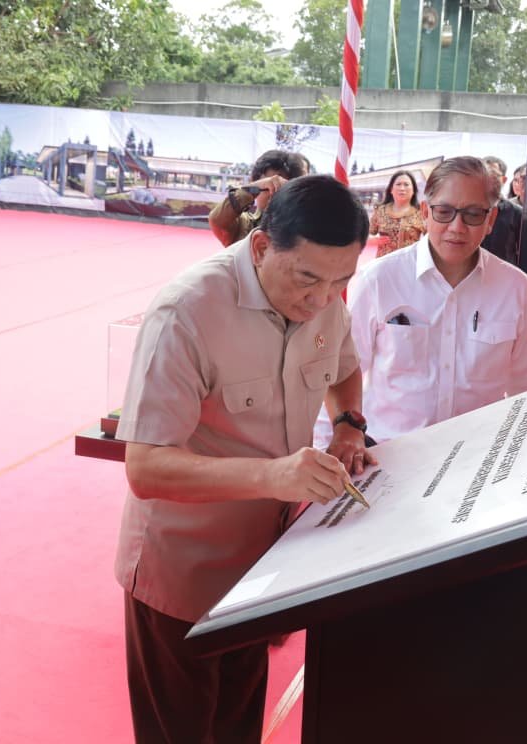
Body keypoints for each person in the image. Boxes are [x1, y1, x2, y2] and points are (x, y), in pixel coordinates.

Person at [115, 174, 375, 744]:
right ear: (260, 247)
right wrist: (274, 476)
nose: (321, 300)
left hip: (263, 569)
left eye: (341, 281)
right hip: (183, 572)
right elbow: (146, 467)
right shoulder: (187, 312)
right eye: (307, 279)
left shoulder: (324, 298)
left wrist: (349, 426)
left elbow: (345, 367)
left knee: (238, 726)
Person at [322, 156, 527, 445]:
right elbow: (339, 373)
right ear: (425, 212)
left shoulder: (516, 288)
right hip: (389, 453)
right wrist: (326, 449)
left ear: (490, 220)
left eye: (473, 214)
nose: (457, 227)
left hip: (477, 453)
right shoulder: (378, 280)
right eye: (444, 212)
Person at [208, 149, 308, 247]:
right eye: (268, 187)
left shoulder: (304, 230)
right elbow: (216, 220)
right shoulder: (244, 226)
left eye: (282, 189)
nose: (274, 194)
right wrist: (253, 188)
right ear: (254, 182)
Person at [369, 170, 426, 258]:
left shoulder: (421, 213)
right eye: (398, 184)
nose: (402, 188)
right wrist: (374, 240)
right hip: (383, 263)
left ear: (413, 190)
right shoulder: (380, 211)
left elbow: (431, 239)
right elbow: (369, 232)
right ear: (391, 189)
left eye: (406, 184)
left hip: (408, 263)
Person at [480, 156, 522, 265]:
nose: (487, 180)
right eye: (483, 174)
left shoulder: (516, 212)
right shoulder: (469, 208)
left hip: (504, 271)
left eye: (492, 175)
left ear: (503, 180)